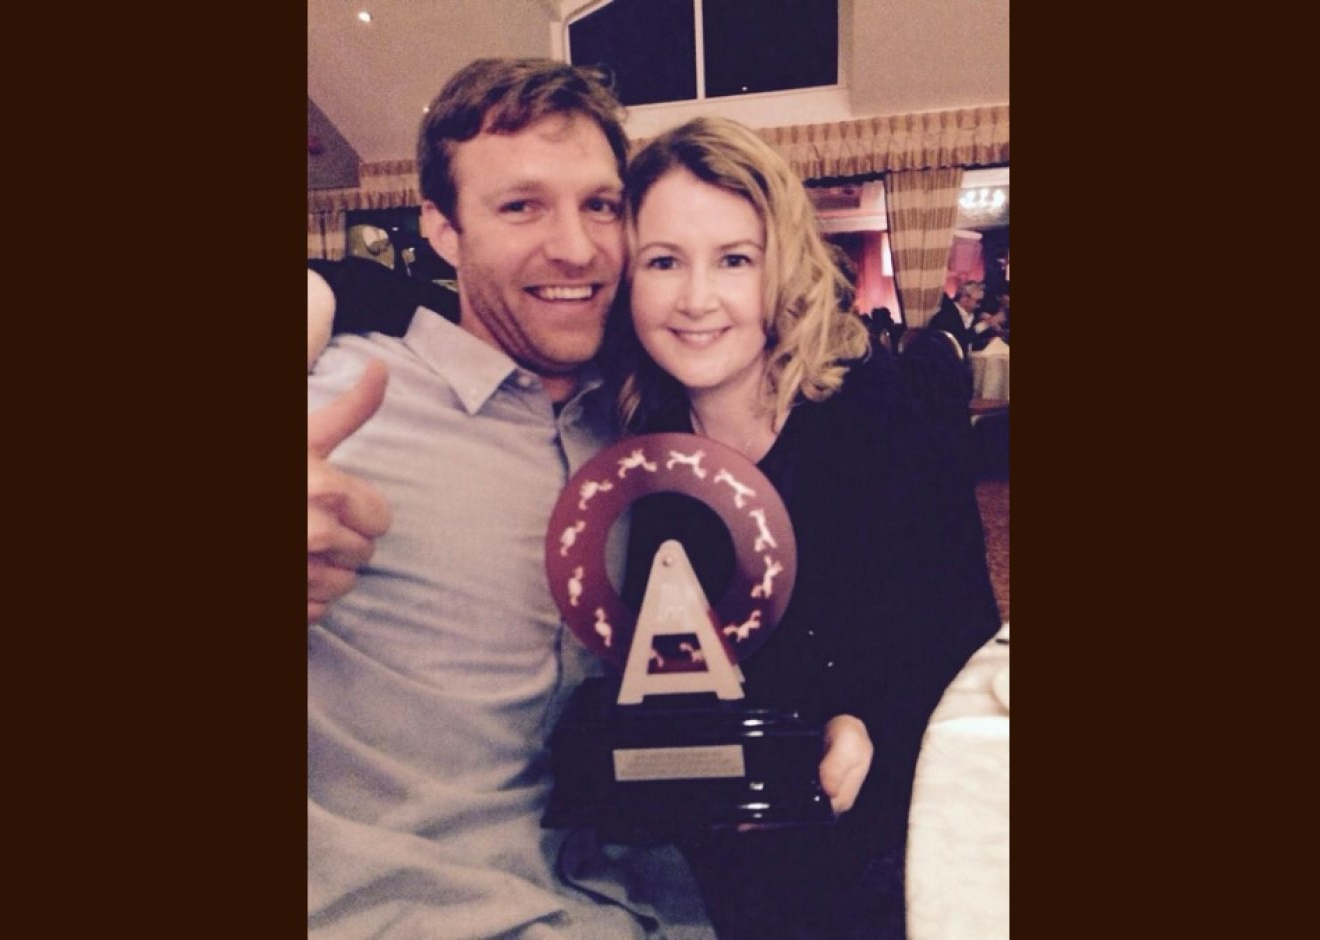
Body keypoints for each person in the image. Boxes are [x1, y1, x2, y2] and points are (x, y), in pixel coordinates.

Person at [307, 58, 716, 939]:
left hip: (649, 905)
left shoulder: (660, 408)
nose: (575, 247)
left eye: (601, 205)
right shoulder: (338, 396)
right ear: (443, 231)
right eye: (520, 206)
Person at [601, 117, 1001, 939]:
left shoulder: (871, 414)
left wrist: (869, 722)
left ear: (780, 272)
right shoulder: (631, 445)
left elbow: (958, 633)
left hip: (861, 837)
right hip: (697, 843)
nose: (697, 298)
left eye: (734, 260)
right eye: (664, 261)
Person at [928, 279, 997, 355]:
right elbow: (959, 341)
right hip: (947, 363)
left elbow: (971, 344)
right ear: (965, 298)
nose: (979, 306)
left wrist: (986, 342)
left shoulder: (974, 316)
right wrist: (984, 325)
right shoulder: (946, 315)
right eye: (978, 301)